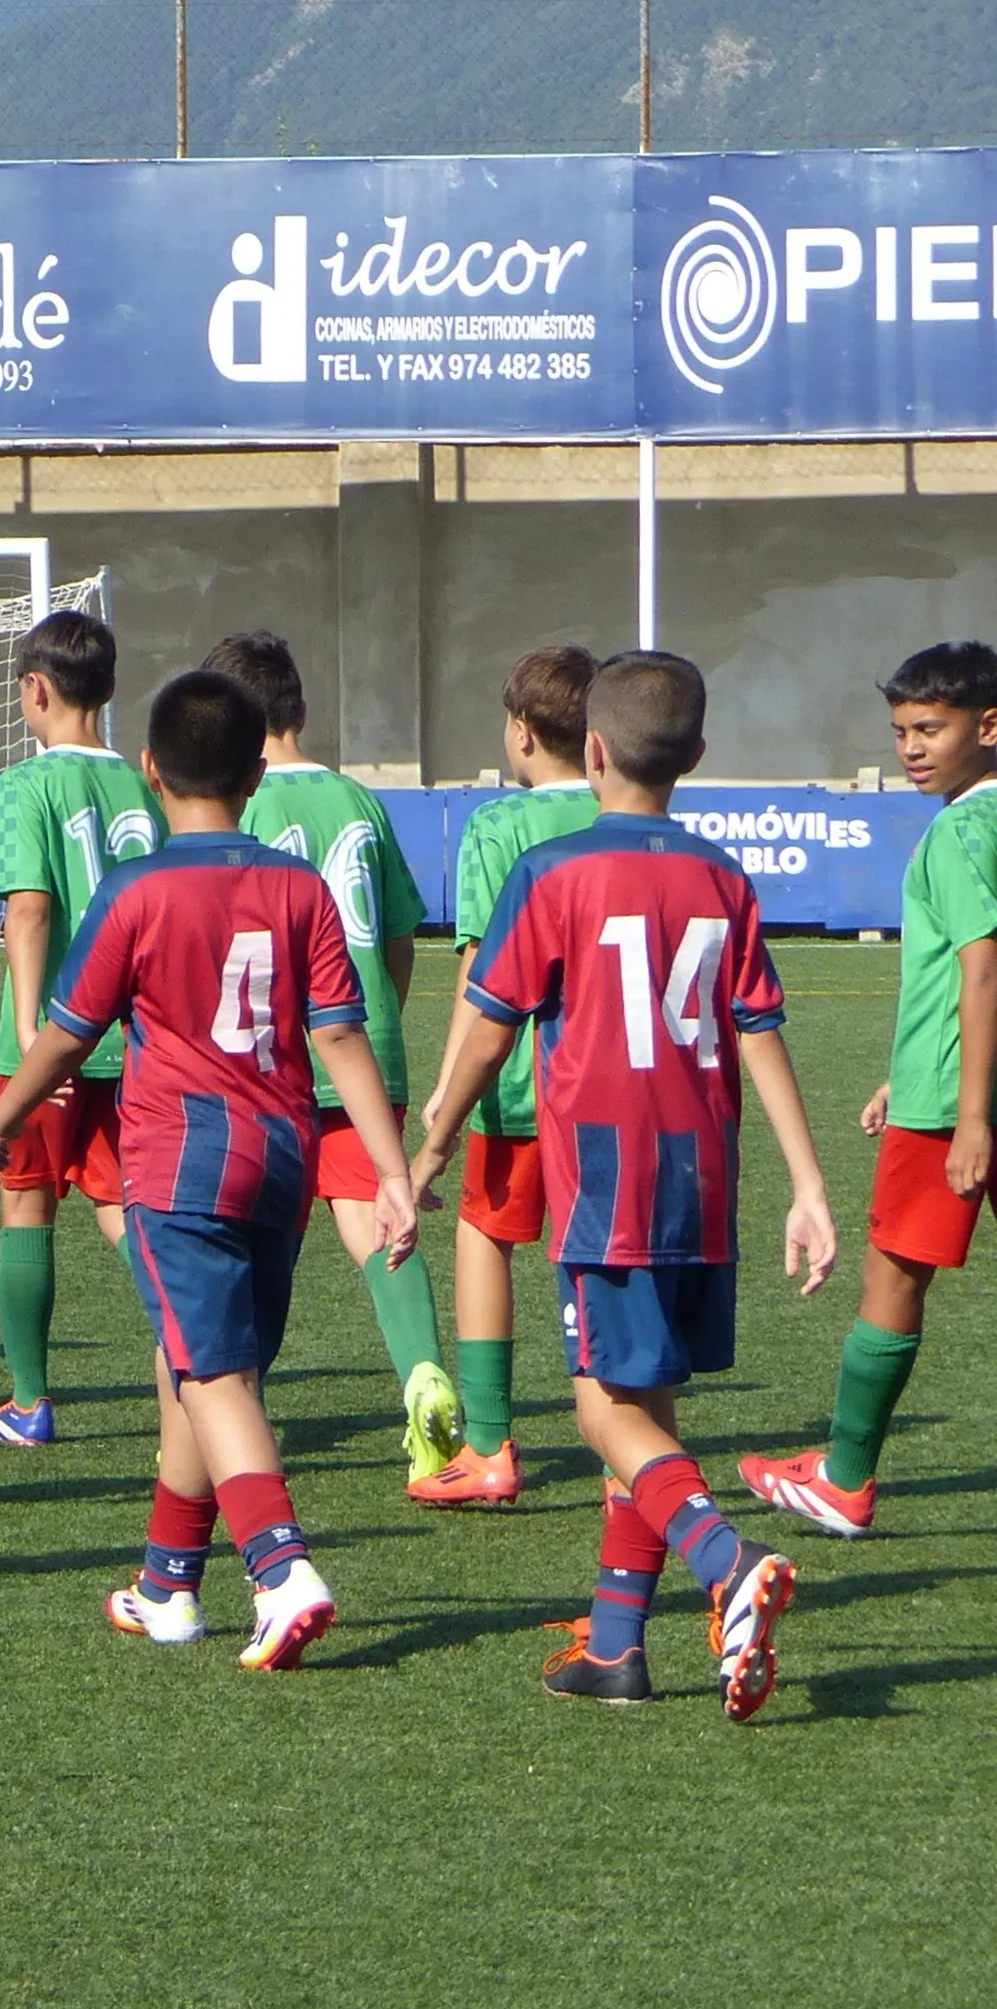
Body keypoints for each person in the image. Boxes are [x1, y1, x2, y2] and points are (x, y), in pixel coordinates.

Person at [410, 650, 835, 1717]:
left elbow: (489, 1025)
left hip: (607, 1179)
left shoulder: (551, 874)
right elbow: (761, 1032)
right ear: (695, 755)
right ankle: (615, 1645)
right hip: (703, 1178)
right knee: (648, 1404)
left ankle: (727, 1559)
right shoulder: (723, 878)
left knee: (604, 1410)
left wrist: (432, 1141)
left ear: (590, 751)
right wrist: (809, 1182)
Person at [0, 669, 409, 1671]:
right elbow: (343, 1036)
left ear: (149, 773)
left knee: (212, 1372)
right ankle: (169, 1582)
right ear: (258, 773)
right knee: (206, 1361)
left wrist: (4, 1117)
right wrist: (389, 1166)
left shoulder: (138, 887)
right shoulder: (299, 887)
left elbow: (64, 1036)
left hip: (180, 1163)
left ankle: (280, 1564)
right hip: (283, 1159)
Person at [743, 639, 997, 1538]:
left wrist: (966, 1113)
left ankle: (844, 1476)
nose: (912, 747)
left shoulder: (963, 830)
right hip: (949, 1078)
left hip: (952, 1109)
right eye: (901, 730)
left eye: (931, 727)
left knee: (893, 1275)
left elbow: (981, 965)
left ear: (989, 725)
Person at [211, 629, 464, 1478]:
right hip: (363, 1041)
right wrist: (377, 1011)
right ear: (301, 710)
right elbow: (399, 935)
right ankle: (426, 1378)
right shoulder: (359, 802)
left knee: (241, 1237)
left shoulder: (232, 805)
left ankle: (230, 1406)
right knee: (379, 1224)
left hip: (263, 1052)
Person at [410, 645, 599, 1506]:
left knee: (485, 1233)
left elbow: (482, 975)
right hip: (610, 1090)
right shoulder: (619, 811)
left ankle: (489, 1444)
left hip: (518, 1086)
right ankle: (624, 1448)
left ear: (522, 731)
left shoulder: (497, 827)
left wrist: (451, 1087)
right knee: (601, 1255)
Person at [0, 607, 163, 1448]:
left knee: (25, 1203)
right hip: (135, 1035)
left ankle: (28, 1402)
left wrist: (31, 1042)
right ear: (110, 690)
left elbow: (29, 909)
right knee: (126, 1207)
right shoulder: (142, 783)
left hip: (52, 1037)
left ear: (33, 689)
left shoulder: (28, 782)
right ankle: (199, 1362)